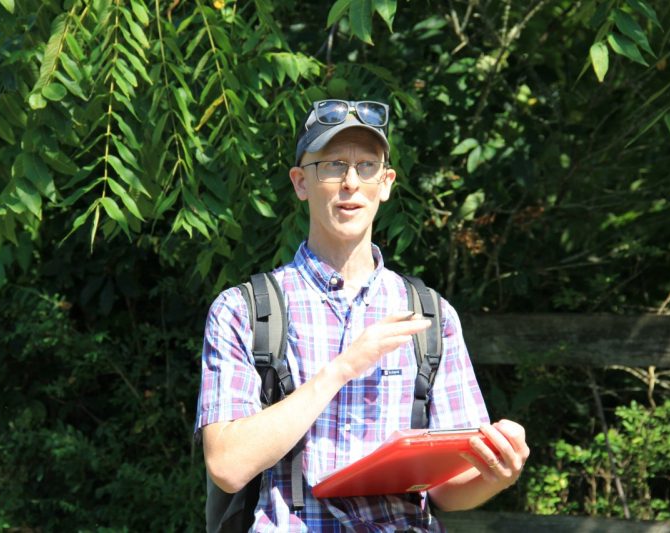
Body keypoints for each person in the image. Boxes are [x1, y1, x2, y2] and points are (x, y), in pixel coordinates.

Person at [195, 99, 530, 531]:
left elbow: (448, 490)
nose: (351, 182)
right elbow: (227, 463)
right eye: (332, 165)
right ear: (301, 182)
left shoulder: (431, 315)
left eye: (367, 166)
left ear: (386, 183)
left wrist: (496, 473)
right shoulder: (245, 310)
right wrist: (343, 368)